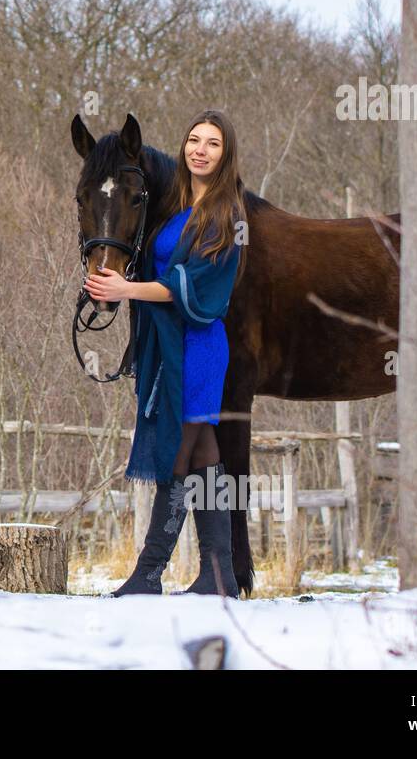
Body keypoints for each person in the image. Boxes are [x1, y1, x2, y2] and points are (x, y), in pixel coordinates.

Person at [84, 109, 247, 597]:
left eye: (212, 143)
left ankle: (149, 572)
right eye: (193, 140)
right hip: (170, 346)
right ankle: (218, 575)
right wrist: (113, 283)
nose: (200, 149)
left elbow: (193, 289)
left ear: (225, 154)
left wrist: (130, 291)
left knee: (180, 448)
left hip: (198, 347)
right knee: (203, 452)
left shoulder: (225, 215)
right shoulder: (173, 207)